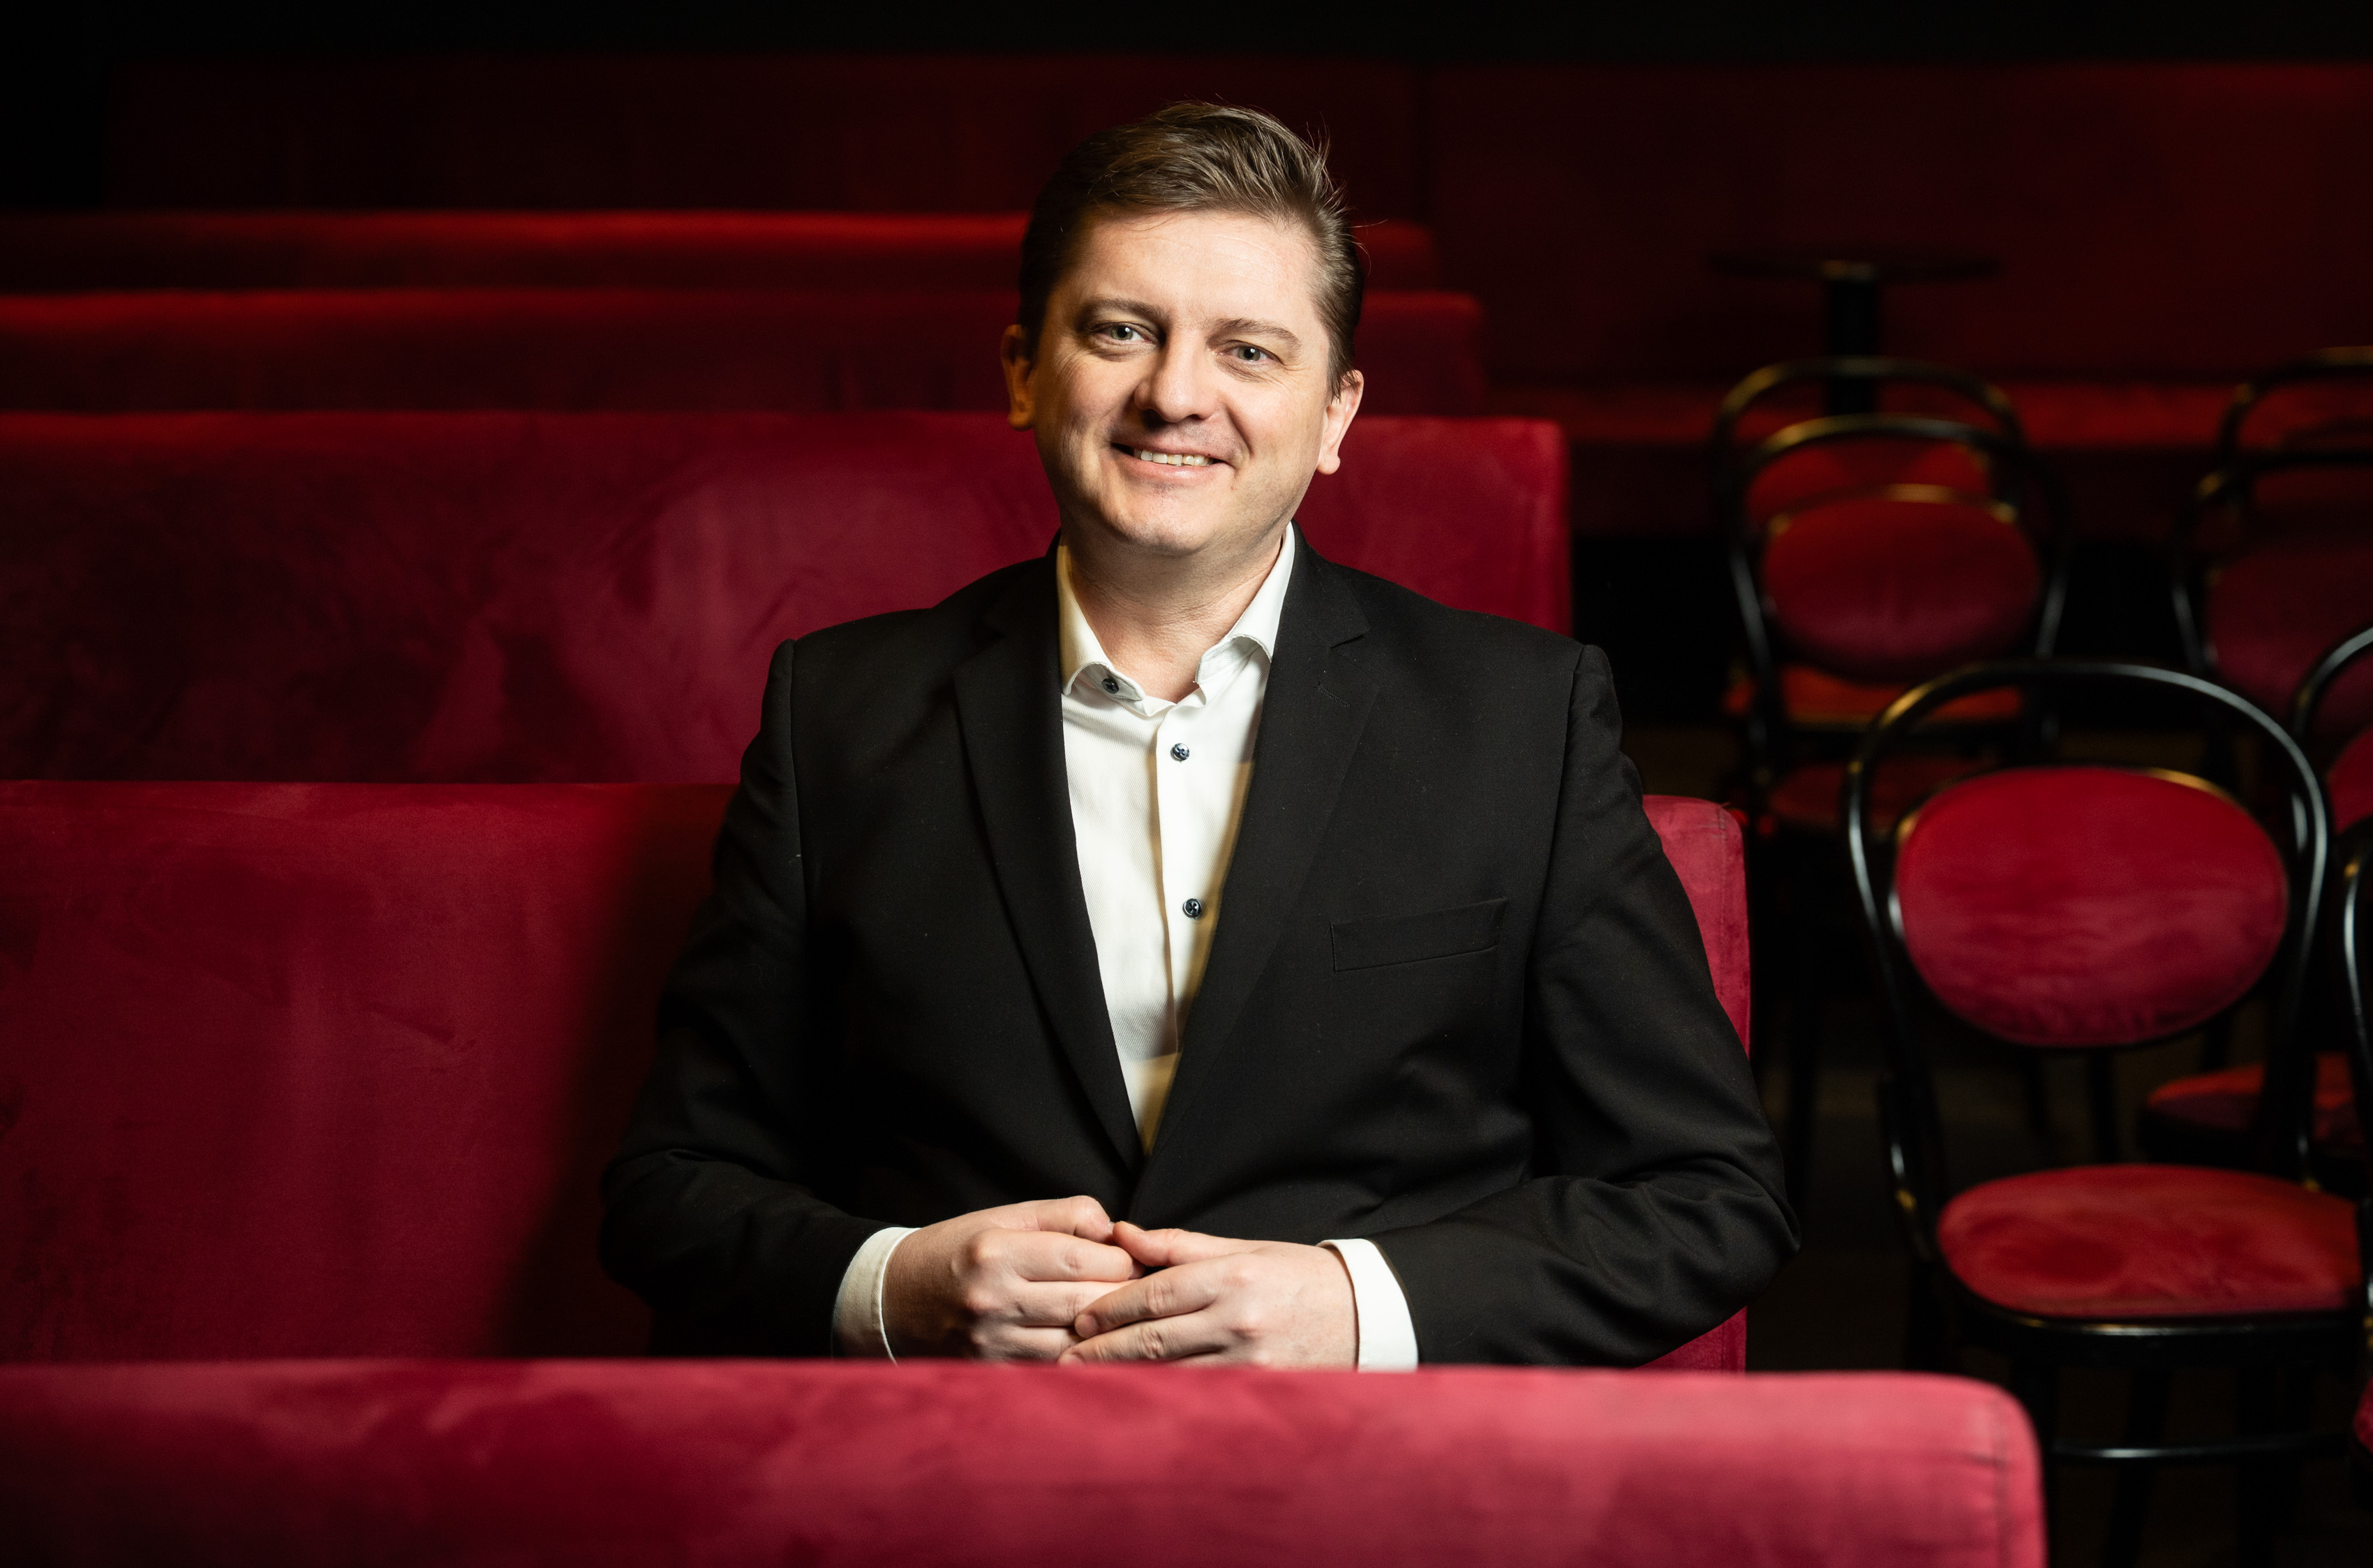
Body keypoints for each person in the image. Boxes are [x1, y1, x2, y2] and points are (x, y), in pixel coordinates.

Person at [600, 103, 1793, 1368]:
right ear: (1024, 372)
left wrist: (1357, 1307)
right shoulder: (836, 713)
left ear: (1335, 415)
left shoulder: (1522, 720)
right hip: (959, 1453)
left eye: (1248, 351)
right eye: (1122, 331)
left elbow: (1706, 1198)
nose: (1175, 396)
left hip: (1373, 1464)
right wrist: (898, 1287)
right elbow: (674, 1191)